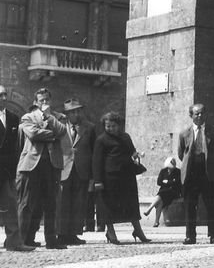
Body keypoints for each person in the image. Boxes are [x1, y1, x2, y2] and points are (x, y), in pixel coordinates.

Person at [16, 88, 67, 249]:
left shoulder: (58, 117)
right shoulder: (27, 117)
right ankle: (24, 239)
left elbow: (62, 131)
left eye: (46, 100)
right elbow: (33, 134)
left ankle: (51, 240)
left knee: (51, 203)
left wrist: (48, 117)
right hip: (31, 165)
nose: (44, 103)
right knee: (27, 203)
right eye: (41, 100)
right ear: (35, 103)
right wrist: (51, 135)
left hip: (52, 165)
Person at [92, 111, 150, 245]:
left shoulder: (126, 137)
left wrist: (137, 154)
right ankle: (110, 232)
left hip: (127, 175)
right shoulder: (101, 140)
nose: (110, 128)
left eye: (113, 126)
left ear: (118, 125)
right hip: (110, 177)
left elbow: (132, 151)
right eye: (108, 126)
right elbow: (96, 161)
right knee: (109, 206)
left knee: (131, 205)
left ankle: (138, 231)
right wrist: (98, 181)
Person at [178, 103, 214, 245]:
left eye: (202, 113)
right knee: (190, 205)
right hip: (191, 172)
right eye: (196, 113)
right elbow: (181, 154)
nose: (200, 116)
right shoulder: (184, 133)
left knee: (211, 205)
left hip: (208, 172)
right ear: (191, 115)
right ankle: (190, 236)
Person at [56, 98, 96, 246]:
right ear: (67, 113)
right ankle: (61, 233)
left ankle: (74, 233)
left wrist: (92, 176)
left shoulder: (90, 128)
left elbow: (93, 151)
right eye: (73, 111)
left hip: (82, 170)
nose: (77, 114)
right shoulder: (59, 127)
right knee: (62, 203)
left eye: (79, 110)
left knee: (79, 203)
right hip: (63, 169)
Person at [0, 85, 34, 252]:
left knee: (11, 205)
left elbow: (16, 146)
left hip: (6, 171)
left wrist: (14, 167)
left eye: (5, 94)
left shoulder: (13, 118)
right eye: (0, 95)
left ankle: (14, 241)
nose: (3, 98)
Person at [143, 156, 182, 227]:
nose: (169, 169)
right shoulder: (163, 171)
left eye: (171, 168)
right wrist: (170, 181)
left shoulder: (178, 171)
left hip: (173, 192)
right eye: (169, 168)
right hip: (164, 191)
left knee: (161, 197)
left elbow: (177, 183)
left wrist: (166, 182)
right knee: (160, 201)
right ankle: (156, 222)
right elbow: (159, 182)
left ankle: (150, 209)